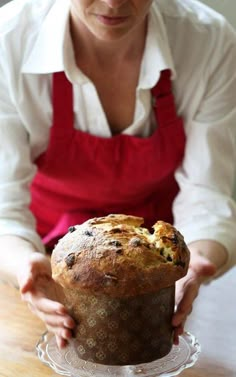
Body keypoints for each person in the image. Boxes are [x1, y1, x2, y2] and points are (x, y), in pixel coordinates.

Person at [0, 0, 235, 350]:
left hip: (156, 267)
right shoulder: (9, 42)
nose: (114, 3)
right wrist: (23, 264)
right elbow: (4, 202)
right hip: (44, 252)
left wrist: (198, 262)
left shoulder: (208, 42)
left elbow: (208, 191)